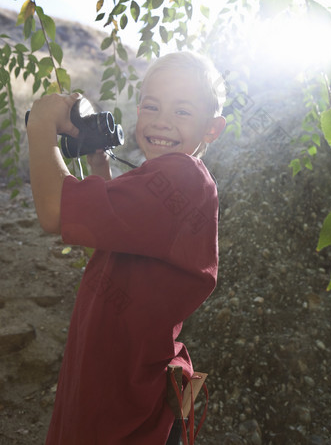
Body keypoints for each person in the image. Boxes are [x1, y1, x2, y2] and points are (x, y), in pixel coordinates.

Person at [26, 51, 226, 445]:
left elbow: (53, 212)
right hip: (116, 368)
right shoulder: (168, 182)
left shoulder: (181, 177)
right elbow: (112, 238)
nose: (161, 121)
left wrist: (42, 123)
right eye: (151, 106)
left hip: (122, 389)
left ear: (212, 129)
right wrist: (100, 163)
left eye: (182, 111)